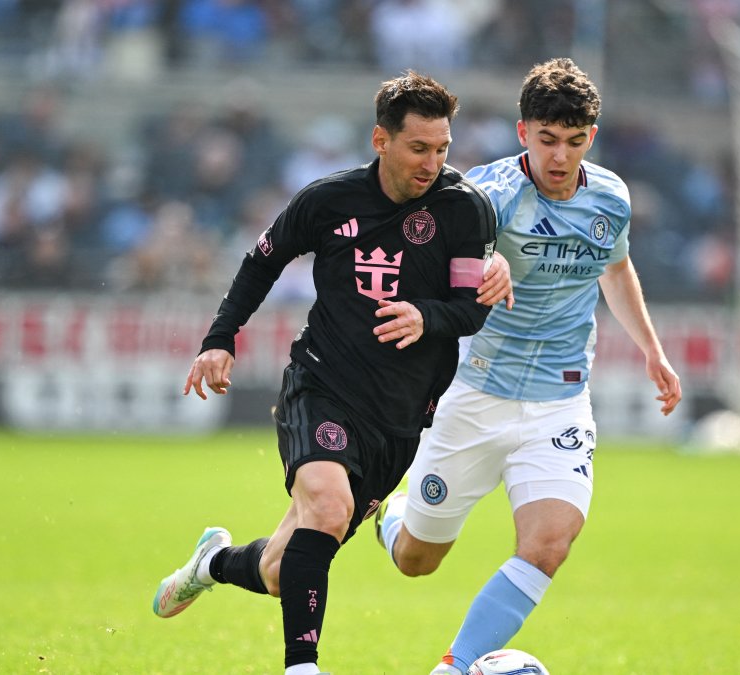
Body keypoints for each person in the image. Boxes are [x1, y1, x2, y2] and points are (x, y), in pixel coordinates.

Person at [152, 71, 514, 675]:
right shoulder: (328, 200)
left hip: (399, 417)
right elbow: (259, 264)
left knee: (279, 571)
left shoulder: (463, 210)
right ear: (381, 139)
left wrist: (426, 317)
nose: (433, 162)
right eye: (419, 148)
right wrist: (219, 340)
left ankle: (212, 563)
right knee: (325, 504)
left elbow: (470, 310)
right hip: (322, 385)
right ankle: (303, 666)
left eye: (442, 148)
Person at [374, 58, 683, 675]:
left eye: (572, 142)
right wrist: (485, 267)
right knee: (417, 560)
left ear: (590, 137)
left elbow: (615, 268)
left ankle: (455, 666)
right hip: (475, 393)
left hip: (559, 402)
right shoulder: (488, 195)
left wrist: (652, 348)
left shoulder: (611, 197)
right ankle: (393, 515)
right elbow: (447, 260)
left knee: (548, 544)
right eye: (546, 140)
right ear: (523, 134)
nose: (559, 157)